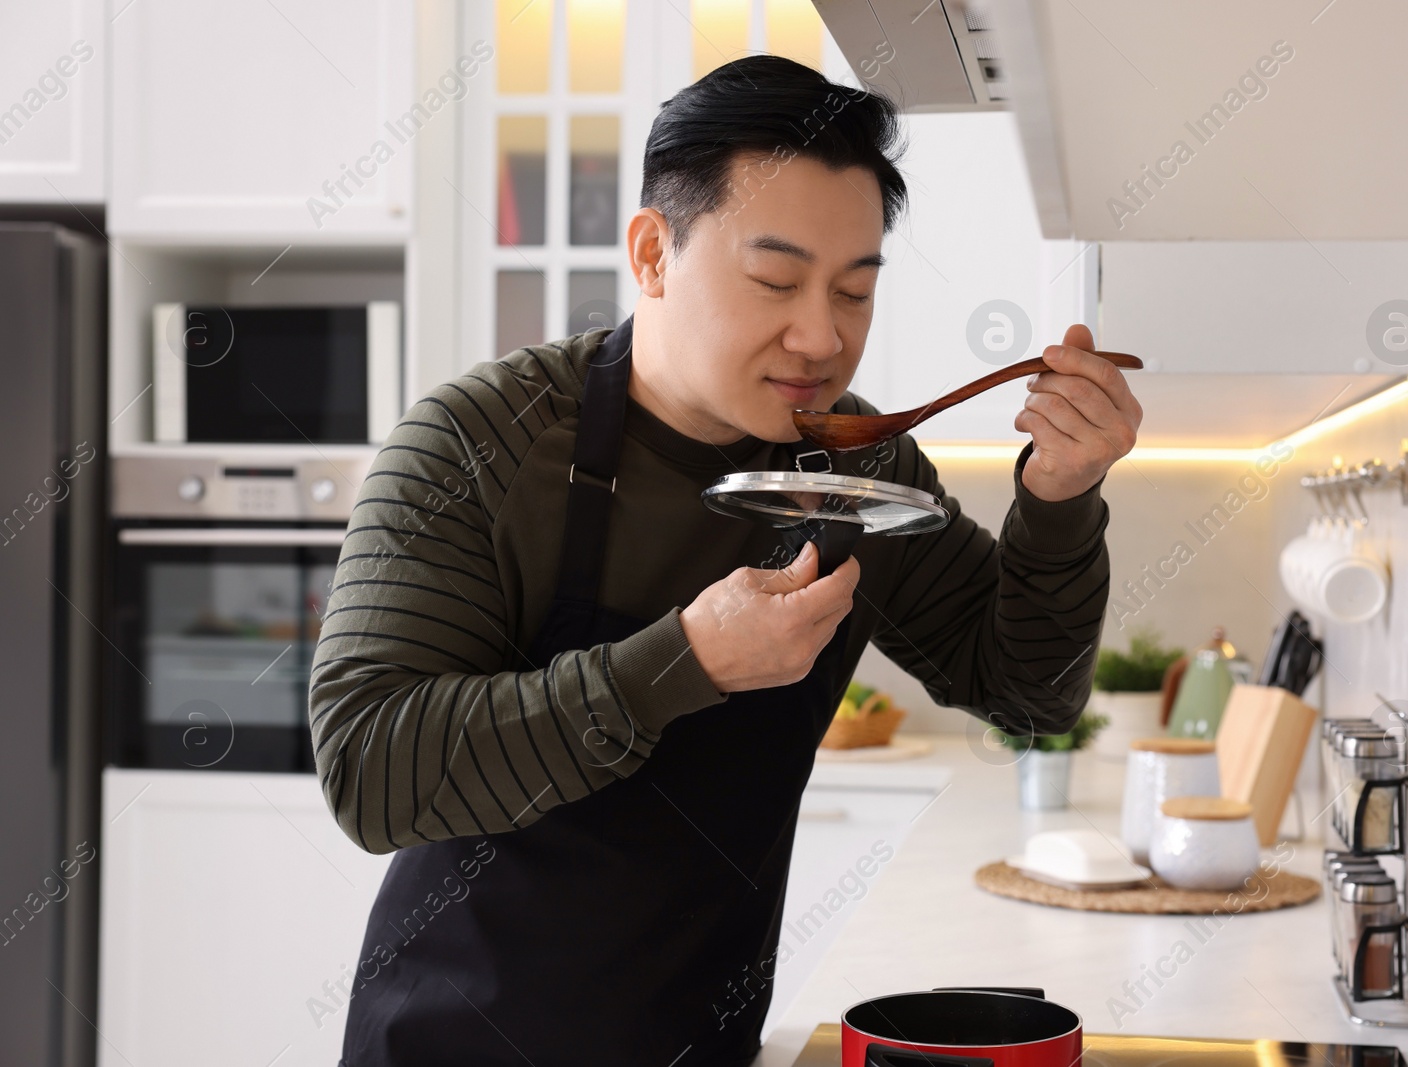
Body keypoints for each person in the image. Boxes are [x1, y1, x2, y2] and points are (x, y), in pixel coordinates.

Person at [311, 54, 1140, 1067]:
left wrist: (1057, 497)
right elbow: (369, 769)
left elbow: (1028, 690)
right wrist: (684, 662)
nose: (820, 336)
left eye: (855, 290)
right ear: (654, 252)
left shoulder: (858, 466)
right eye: (776, 280)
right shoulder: (478, 442)